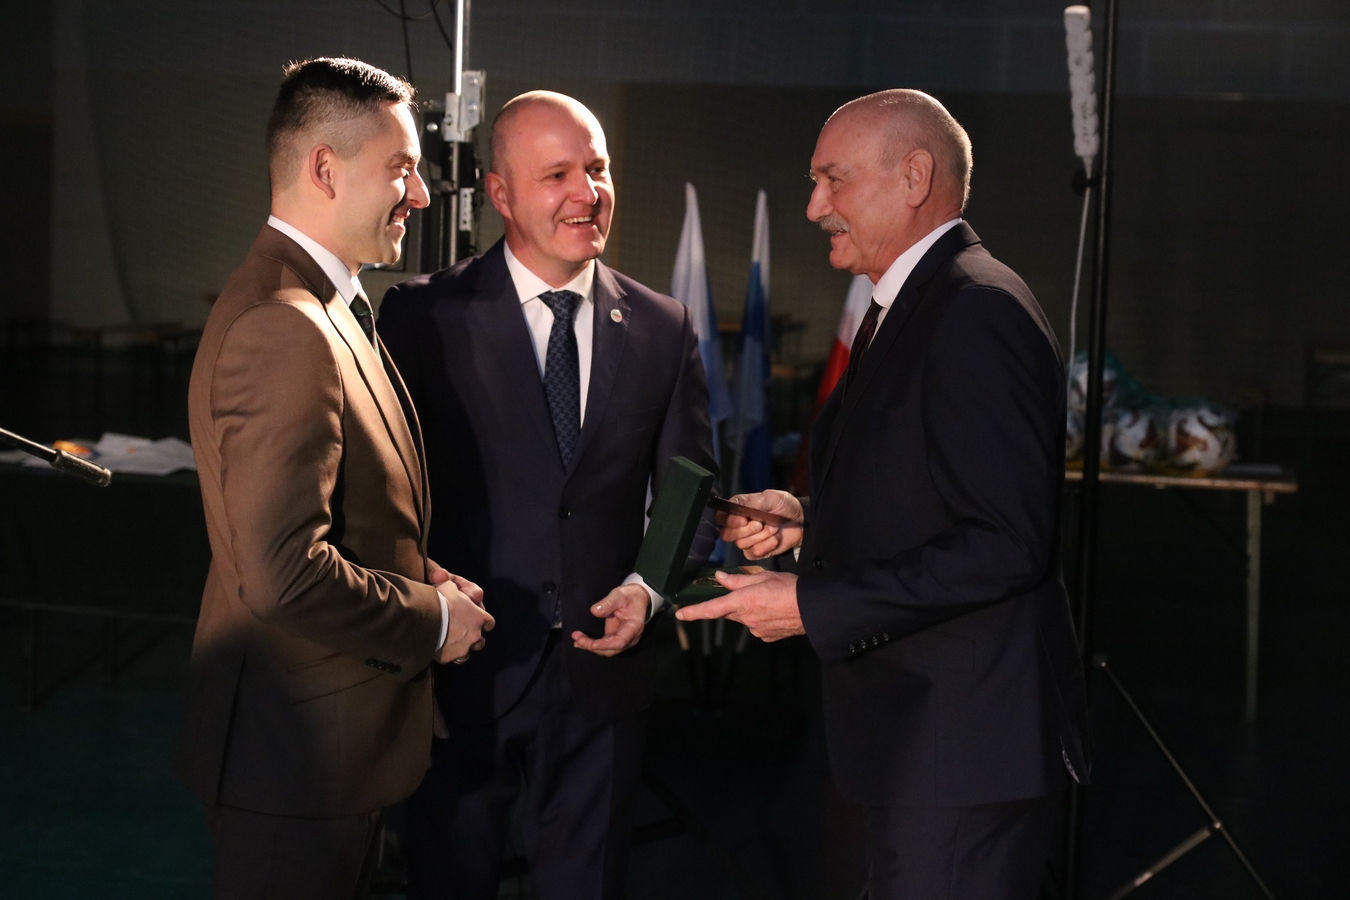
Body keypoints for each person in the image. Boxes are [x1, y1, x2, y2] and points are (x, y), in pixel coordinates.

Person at [677, 89, 1090, 900]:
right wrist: (809, 520)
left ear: (914, 177)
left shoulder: (975, 311)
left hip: (962, 752)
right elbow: (930, 490)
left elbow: (1006, 542)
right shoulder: (918, 303)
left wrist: (813, 604)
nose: (813, 207)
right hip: (928, 746)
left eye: (833, 180)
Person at [378, 90, 716, 899]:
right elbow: (378, 495)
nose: (586, 193)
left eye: (597, 169)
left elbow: (691, 493)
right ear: (500, 193)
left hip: (604, 684)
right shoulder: (424, 316)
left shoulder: (664, 326)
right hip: (460, 677)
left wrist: (651, 588)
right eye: (557, 174)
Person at [175, 57, 494, 900]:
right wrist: (433, 621)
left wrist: (418, 571)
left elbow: (339, 513)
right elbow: (283, 574)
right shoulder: (286, 325)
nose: (419, 193)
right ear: (324, 168)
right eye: (401, 168)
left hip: (323, 756)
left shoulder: (321, 305)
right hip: (294, 766)